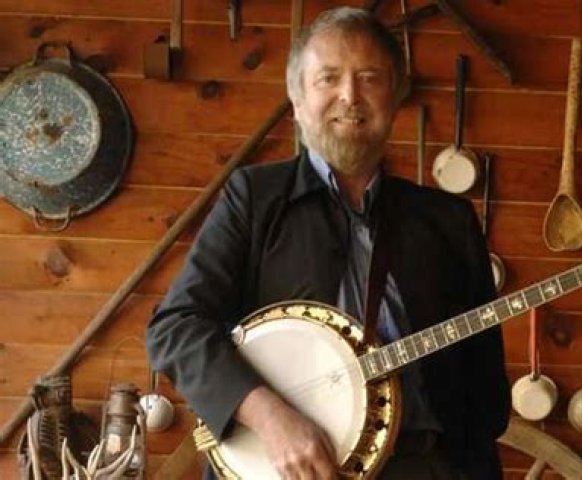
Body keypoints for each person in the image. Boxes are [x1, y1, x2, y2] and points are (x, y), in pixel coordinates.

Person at [147, 6, 510, 480]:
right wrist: (272, 420)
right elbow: (175, 328)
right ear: (297, 101)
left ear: (395, 97)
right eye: (328, 78)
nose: (350, 96)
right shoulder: (253, 198)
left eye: (369, 78)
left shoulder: (449, 220)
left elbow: (486, 394)